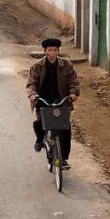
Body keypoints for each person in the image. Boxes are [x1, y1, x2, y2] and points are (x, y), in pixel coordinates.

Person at [27, 39, 80, 169]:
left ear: (58, 51)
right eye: (49, 50)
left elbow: (73, 81)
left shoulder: (66, 65)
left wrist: (73, 94)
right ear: (44, 51)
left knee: (65, 129)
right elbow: (31, 83)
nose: (52, 53)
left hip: (61, 99)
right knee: (40, 122)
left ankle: (63, 160)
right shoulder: (37, 66)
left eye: (55, 50)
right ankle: (40, 139)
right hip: (42, 100)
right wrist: (33, 95)